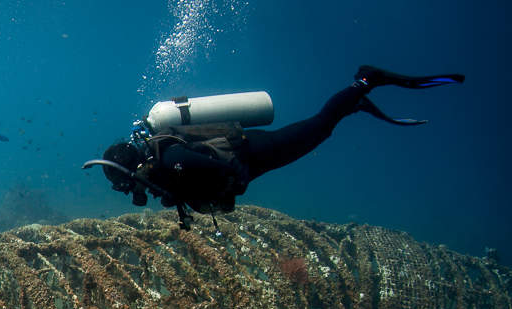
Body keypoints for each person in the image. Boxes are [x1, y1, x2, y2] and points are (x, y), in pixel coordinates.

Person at [87, 65, 464, 228]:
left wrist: (234, 182)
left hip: (255, 152)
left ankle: (363, 83)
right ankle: (353, 104)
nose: (127, 191)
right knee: (318, 131)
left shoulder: (169, 159)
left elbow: (220, 170)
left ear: (131, 167)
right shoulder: (164, 166)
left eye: (121, 183)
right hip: (255, 156)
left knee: (318, 127)